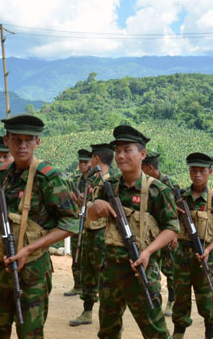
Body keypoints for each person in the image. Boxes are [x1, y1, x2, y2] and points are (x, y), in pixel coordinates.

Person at [0, 114, 78, 338]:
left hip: (32, 269)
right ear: (7, 141)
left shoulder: (49, 178)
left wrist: (29, 249)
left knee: (30, 333)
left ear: (37, 142)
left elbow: (71, 223)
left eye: (28, 140)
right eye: (16, 139)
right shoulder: (2, 175)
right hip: (0, 266)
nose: (22, 145)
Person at [88, 125, 178, 338]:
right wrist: (94, 207)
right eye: (118, 151)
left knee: (155, 332)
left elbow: (172, 228)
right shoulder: (108, 187)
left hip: (141, 271)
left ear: (142, 154)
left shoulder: (158, 191)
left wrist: (147, 252)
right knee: (108, 331)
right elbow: (92, 217)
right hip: (110, 269)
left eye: (127, 150)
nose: (121, 156)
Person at [171, 153, 213, 339]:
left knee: (207, 301)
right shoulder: (179, 198)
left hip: (205, 256)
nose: (197, 174)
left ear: (210, 172)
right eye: (193, 170)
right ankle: (178, 333)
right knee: (180, 298)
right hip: (181, 256)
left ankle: (209, 335)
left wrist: (208, 249)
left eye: (201, 171)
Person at [69, 143, 112, 326]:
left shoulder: (111, 184)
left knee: (104, 274)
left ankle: (109, 315)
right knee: (87, 271)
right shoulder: (92, 181)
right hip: (88, 231)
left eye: (91, 158)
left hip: (103, 234)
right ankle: (87, 311)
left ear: (96, 159)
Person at [141, 151, 178, 317]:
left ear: (149, 167)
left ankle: (172, 300)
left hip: (167, 233)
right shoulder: (145, 184)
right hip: (152, 233)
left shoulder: (167, 185)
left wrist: (174, 235)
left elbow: (179, 213)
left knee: (170, 269)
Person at [64, 148, 91, 297]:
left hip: (90, 223)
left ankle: (91, 288)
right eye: (80, 162)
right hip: (78, 220)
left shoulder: (94, 180)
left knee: (90, 257)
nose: (82, 165)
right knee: (76, 253)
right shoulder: (78, 180)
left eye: (85, 162)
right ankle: (78, 285)